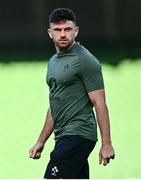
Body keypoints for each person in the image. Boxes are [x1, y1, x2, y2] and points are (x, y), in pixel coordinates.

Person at [29, 8, 115, 179]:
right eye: (58, 29)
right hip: (63, 135)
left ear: (76, 31)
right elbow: (56, 105)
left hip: (78, 133)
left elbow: (100, 103)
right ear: (49, 32)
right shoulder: (53, 62)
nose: (62, 34)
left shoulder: (85, 60)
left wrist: (107, 144)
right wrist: (41, 141)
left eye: (67, 29)